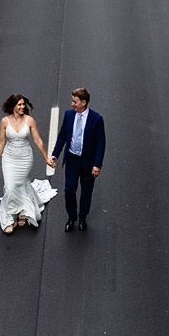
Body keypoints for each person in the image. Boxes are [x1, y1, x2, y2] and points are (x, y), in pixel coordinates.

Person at [0, 94, 53, 233]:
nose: (22, 107)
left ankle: (22, 212)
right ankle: (9, 218)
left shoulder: (30, 120)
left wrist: (46, 158)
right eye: (19, 105)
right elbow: (0, 142)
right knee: (9, 187)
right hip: (9, 159)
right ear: (13, 106)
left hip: (25, 159)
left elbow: (38, 140)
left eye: (23, 104)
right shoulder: (4, 122)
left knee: (20, 183)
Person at [50, 87, 105, 232]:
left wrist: (97, 165)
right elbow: (62, 136)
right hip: (72, 160)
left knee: (86, 192)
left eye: (75, 101)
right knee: (69, 190)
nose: (72, 104)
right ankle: (72, 217)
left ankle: (82, 217)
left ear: (83, 102)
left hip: (88, 162)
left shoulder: (97, 119)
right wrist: (55, 154)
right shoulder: (69, 115)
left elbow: (101, 143)